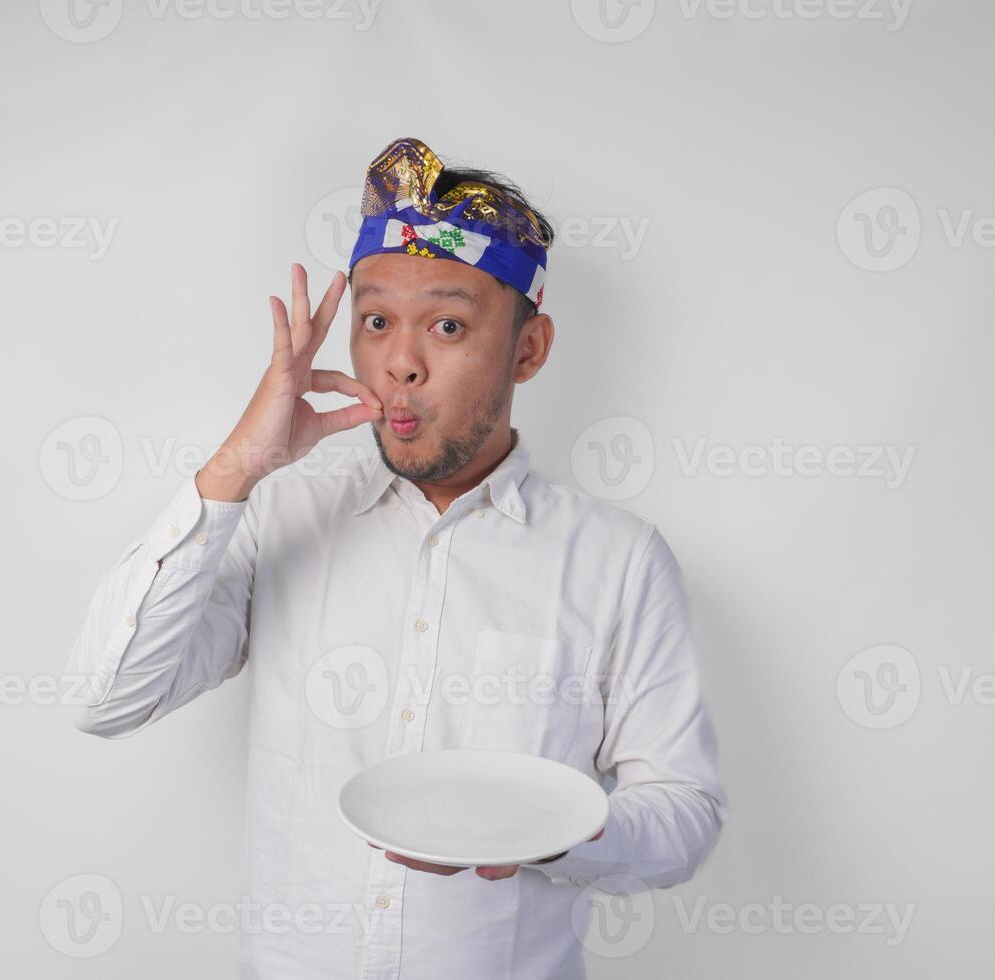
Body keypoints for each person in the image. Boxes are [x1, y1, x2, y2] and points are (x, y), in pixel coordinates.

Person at [65, 136, 727, 978]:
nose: (400, 363)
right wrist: (237, 467)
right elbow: (106, 698)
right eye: (375, 322)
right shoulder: (276, 515)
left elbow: (684, 814)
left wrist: (563, 834)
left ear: (528, 350)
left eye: (448, 326)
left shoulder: (617, 561)